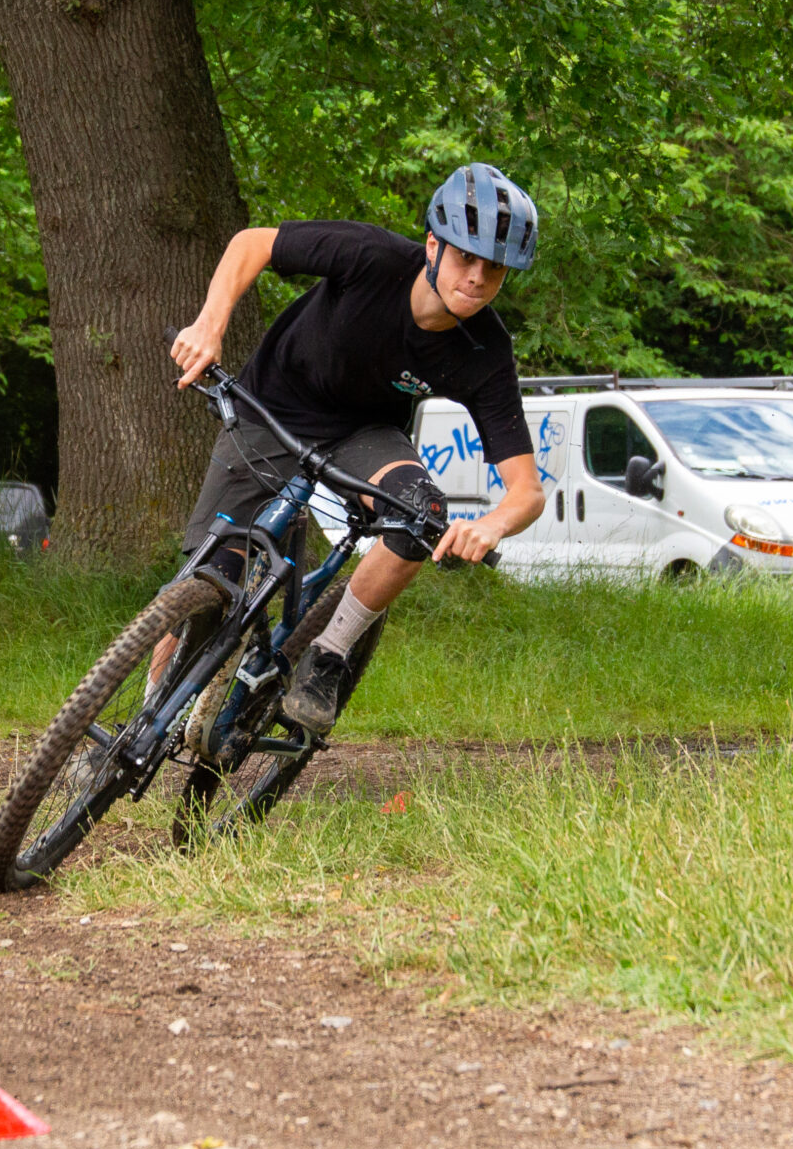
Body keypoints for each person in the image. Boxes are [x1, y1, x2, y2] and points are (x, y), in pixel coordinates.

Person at [165, 164, 546, 734]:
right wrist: (209, 326)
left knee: (422, 512)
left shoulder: (485, 351)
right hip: (273, 408)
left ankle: (328, 656)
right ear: (432, 246)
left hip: (363, 435)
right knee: (205, 584)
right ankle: (138, 720)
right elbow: (253, 244)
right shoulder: (370, 256)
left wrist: (492, 525)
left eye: (495, 270)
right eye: (466, 257)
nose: (477, 278)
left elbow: (527, 491)